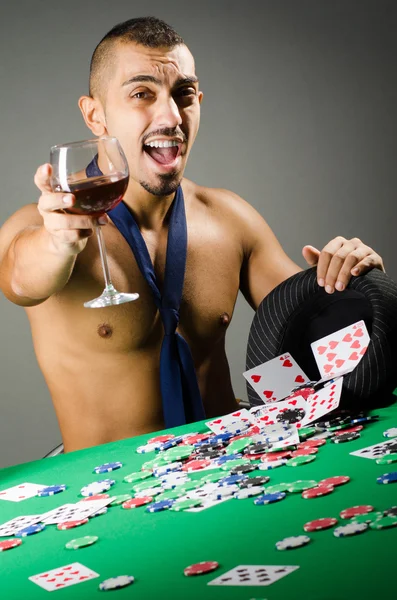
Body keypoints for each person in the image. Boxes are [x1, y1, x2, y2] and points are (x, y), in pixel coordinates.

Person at [0, 17, 385, 453]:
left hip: (233, 468)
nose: (170, 116)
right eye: (142, 94)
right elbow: (21, 280)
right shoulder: (42, 224)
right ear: (95, 115)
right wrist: (57, 246)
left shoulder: (230, 218)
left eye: (183, 95)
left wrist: (357, 284)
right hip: (111, 496)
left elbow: (309, 328)